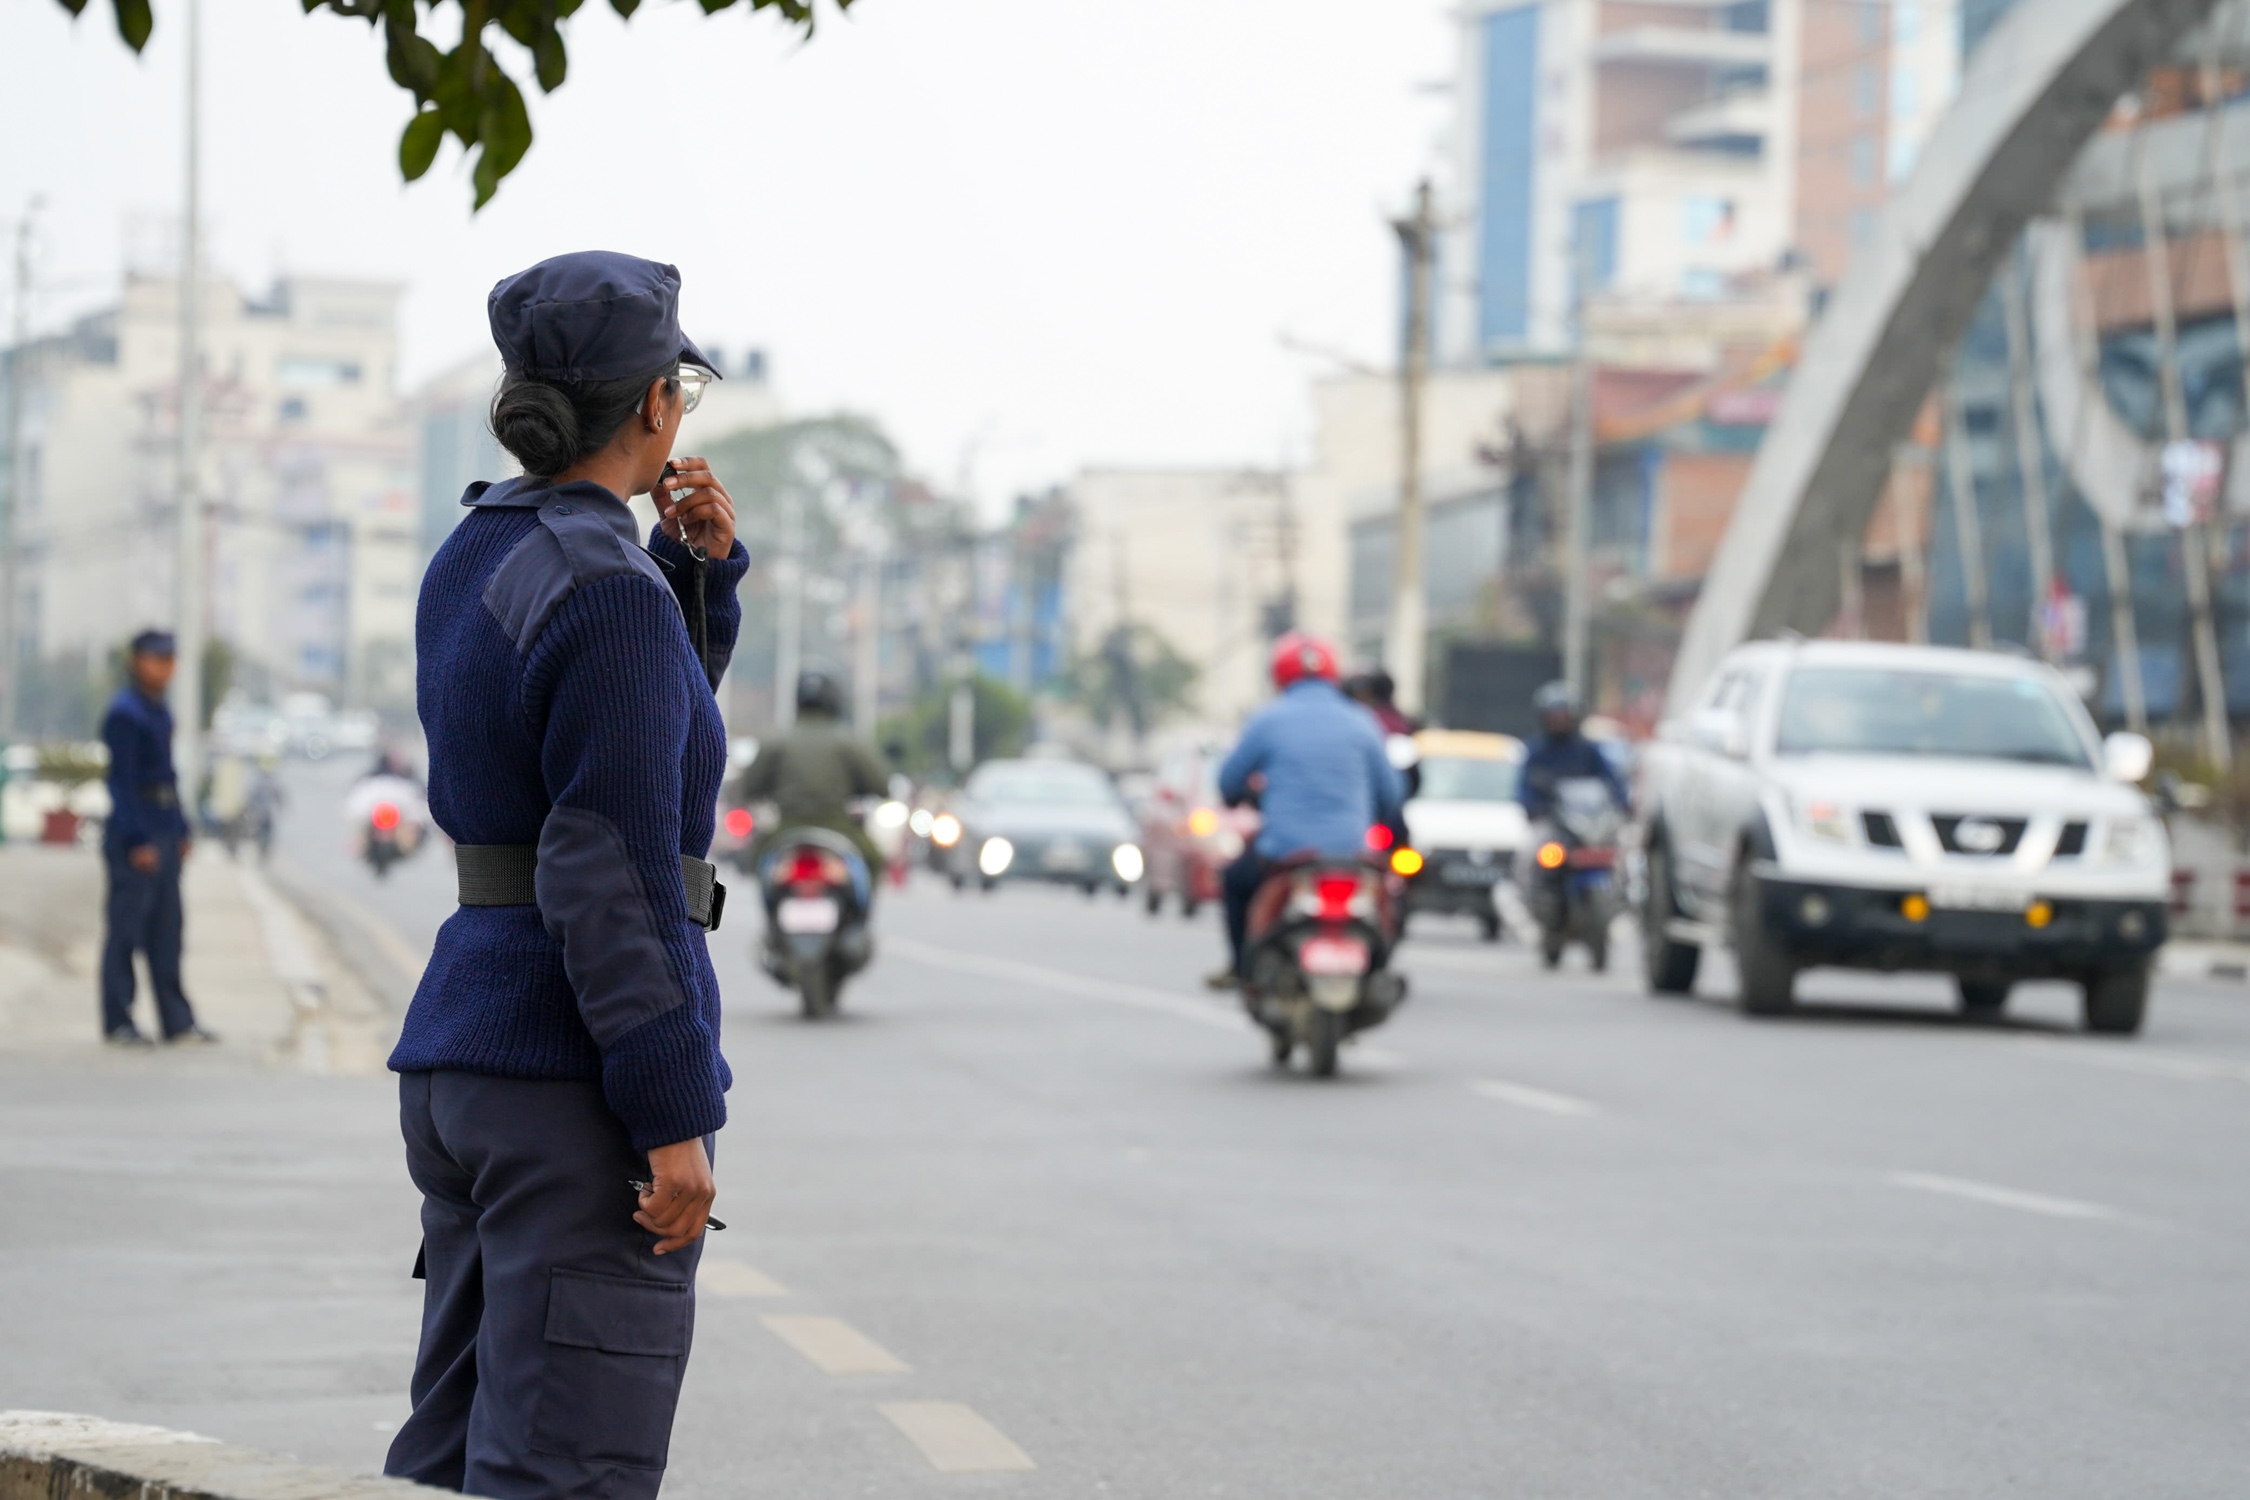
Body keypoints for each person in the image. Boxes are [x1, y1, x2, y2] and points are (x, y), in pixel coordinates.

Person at [382, 251, 747, 1500]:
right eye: (679, 391)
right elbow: (608, 865)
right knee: (562, 1474)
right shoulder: (608, 591)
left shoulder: (477, 551)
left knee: (455, 1456)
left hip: (469, 1061)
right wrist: (672, 1112)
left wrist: (692, 583)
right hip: (566, 1080)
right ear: (654, 404)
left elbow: (609, 751)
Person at [1208, 633, 1404, 989]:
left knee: (1235, 881)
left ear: (1280, 676)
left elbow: (1228, 782)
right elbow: (1391, 795)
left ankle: (1240, 969)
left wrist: (1244, 796)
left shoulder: (1267, 720)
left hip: (1283, 854)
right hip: (1352, 854)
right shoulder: (1362, 722)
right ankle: (1378, 971)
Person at [98, 629, 215, 1047]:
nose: (165, 667)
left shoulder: (159, 711)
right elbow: (122, 785)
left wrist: (181, 829)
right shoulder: (124, 714)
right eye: (156, 659)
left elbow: (168, 776)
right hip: (137, 834)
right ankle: (118, 1020)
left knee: (168, 929)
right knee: (126, 931)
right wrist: (135, 841)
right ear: (137, 662)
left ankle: (176, 1021)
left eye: (170, 660)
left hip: (164, 828)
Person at [736, 670, 888, 880]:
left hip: (787, 827)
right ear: (834, 701)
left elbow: (749, 786)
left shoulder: (777, 741)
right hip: (839, 827)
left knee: (758, 860)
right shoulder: (849, 742)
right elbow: (880, 786)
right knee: (873, 859)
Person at [1519, 680, 1628, 821]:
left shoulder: (1586, 749)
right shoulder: (1537, 751)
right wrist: (1532, 807)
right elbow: (1525, 786)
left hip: (1589, 819)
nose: (1559, 721)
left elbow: (1611, 778)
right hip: (1551, 819)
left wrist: (1622, 802)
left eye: (1563, 716)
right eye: (1554, 717)